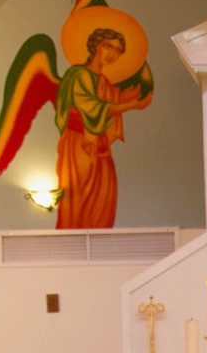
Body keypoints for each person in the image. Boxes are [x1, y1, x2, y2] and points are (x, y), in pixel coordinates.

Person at [54, 27, 152, 230]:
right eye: (108, 46)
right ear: (95, 46)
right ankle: (72, 244)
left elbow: (108, 106)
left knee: (103, 198)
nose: (112, 53)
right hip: (78, 144)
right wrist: (131, 105)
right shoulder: (78, 74)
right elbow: (93, 107)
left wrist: (123, 99)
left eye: (118, 50)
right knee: (78, 197)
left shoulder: (105, 82)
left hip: (100, 147)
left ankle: (100, 243)